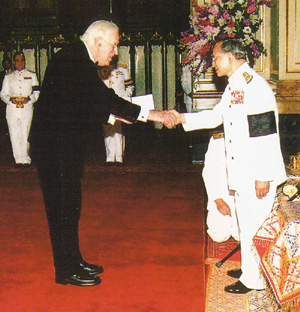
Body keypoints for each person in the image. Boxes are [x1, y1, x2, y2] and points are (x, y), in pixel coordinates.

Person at [29, 20, 169, 287]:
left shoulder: (77, 57)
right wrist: (147, 114)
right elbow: (100, 97)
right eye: (114, 45)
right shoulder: (74, 59)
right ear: (98, 40)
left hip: (62, 145)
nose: (115, 52)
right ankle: (65, 271)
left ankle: (74, 259)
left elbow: (85, 101)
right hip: (54, 146)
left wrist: (114, 115)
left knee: (71, 205)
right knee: (61, 209)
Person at [164, 39, 286, 294]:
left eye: (216, 57)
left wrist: (263, 176)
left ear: (231, 57)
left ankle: (254, 281)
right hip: (244, 170)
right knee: (246, 223)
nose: (213, 63)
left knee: (254, 225)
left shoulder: (255, 88)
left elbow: (264, 133)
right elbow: (217, 115)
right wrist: (182, 117)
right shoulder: (237, 86)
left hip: (256, 172)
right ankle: (249, 270)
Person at [1, 52, 39, 167]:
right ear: (14, 62)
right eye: (17, 60)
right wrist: (10, 99)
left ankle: (25, 158)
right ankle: (18, 160)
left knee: (25, 134)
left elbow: (37, 92)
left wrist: (29, 99)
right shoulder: (8, 77)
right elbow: (3, 94)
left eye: (21, 60)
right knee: (14, 134)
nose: (20, 62)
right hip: (12, 110)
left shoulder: (31, 75)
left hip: (26, 109)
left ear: (24, 61)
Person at [203, 126, 239, 243]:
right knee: (218, 235)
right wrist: (218, 200)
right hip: (222, 194)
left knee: (241, 236)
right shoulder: (218, 141)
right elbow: (209, 173)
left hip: (244, 196)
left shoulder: (253, 138)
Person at [99, 56, 134, 167]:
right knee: (108, 128)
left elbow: (130, 86)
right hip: (106, 103)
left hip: (119, 102)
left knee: (118, 128)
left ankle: (119, 157)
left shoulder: (122, 69)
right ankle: (109, 157)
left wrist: (127, 96)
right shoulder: (101, 70)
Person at [0, 58, 12, 137]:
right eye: (5, 63)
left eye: (8, 63)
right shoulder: (0, 75)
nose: (6, 65)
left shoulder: (14, 73)